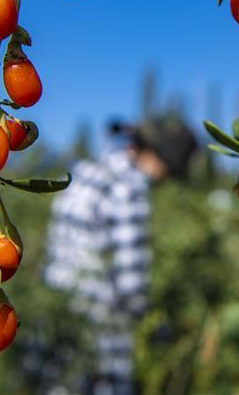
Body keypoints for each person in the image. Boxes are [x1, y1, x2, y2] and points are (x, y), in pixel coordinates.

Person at [40, 114, 197, 395]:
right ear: (157, 158)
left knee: (60, 384)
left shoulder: (85, 171)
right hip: (99, 319)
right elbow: (129, 276)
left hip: (56, 304)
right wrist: (150, 322)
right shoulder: (128, 190)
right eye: (169, 171)